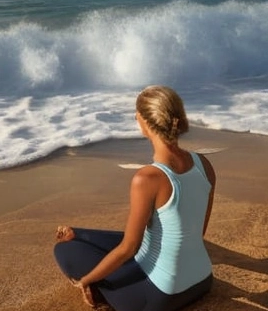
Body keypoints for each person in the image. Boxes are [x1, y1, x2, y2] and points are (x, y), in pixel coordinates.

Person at [54, 85, 216, 311]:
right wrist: (81, 235)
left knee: (64, 251)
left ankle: (104, 292)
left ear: (145, 122)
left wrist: (86, 281)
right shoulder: (204, 164)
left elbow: (128, 249)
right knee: (139, 235)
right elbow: (196, 234)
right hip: (202, 281)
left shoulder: (147, 178)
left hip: (162, 296)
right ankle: (79, 234)